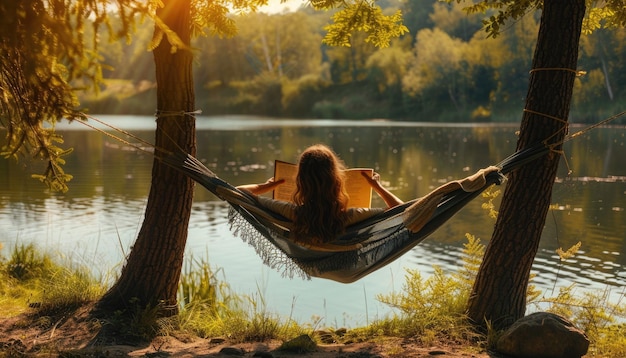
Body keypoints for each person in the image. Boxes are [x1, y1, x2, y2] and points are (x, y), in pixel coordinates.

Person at [237, 144, 403, 244]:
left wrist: (268, 186)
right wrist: (378, 187)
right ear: (336, 182)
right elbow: (403, 210)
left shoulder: (292, 212)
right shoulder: (350, 216)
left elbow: (239, 192)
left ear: (301, 182)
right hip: (343, 261)